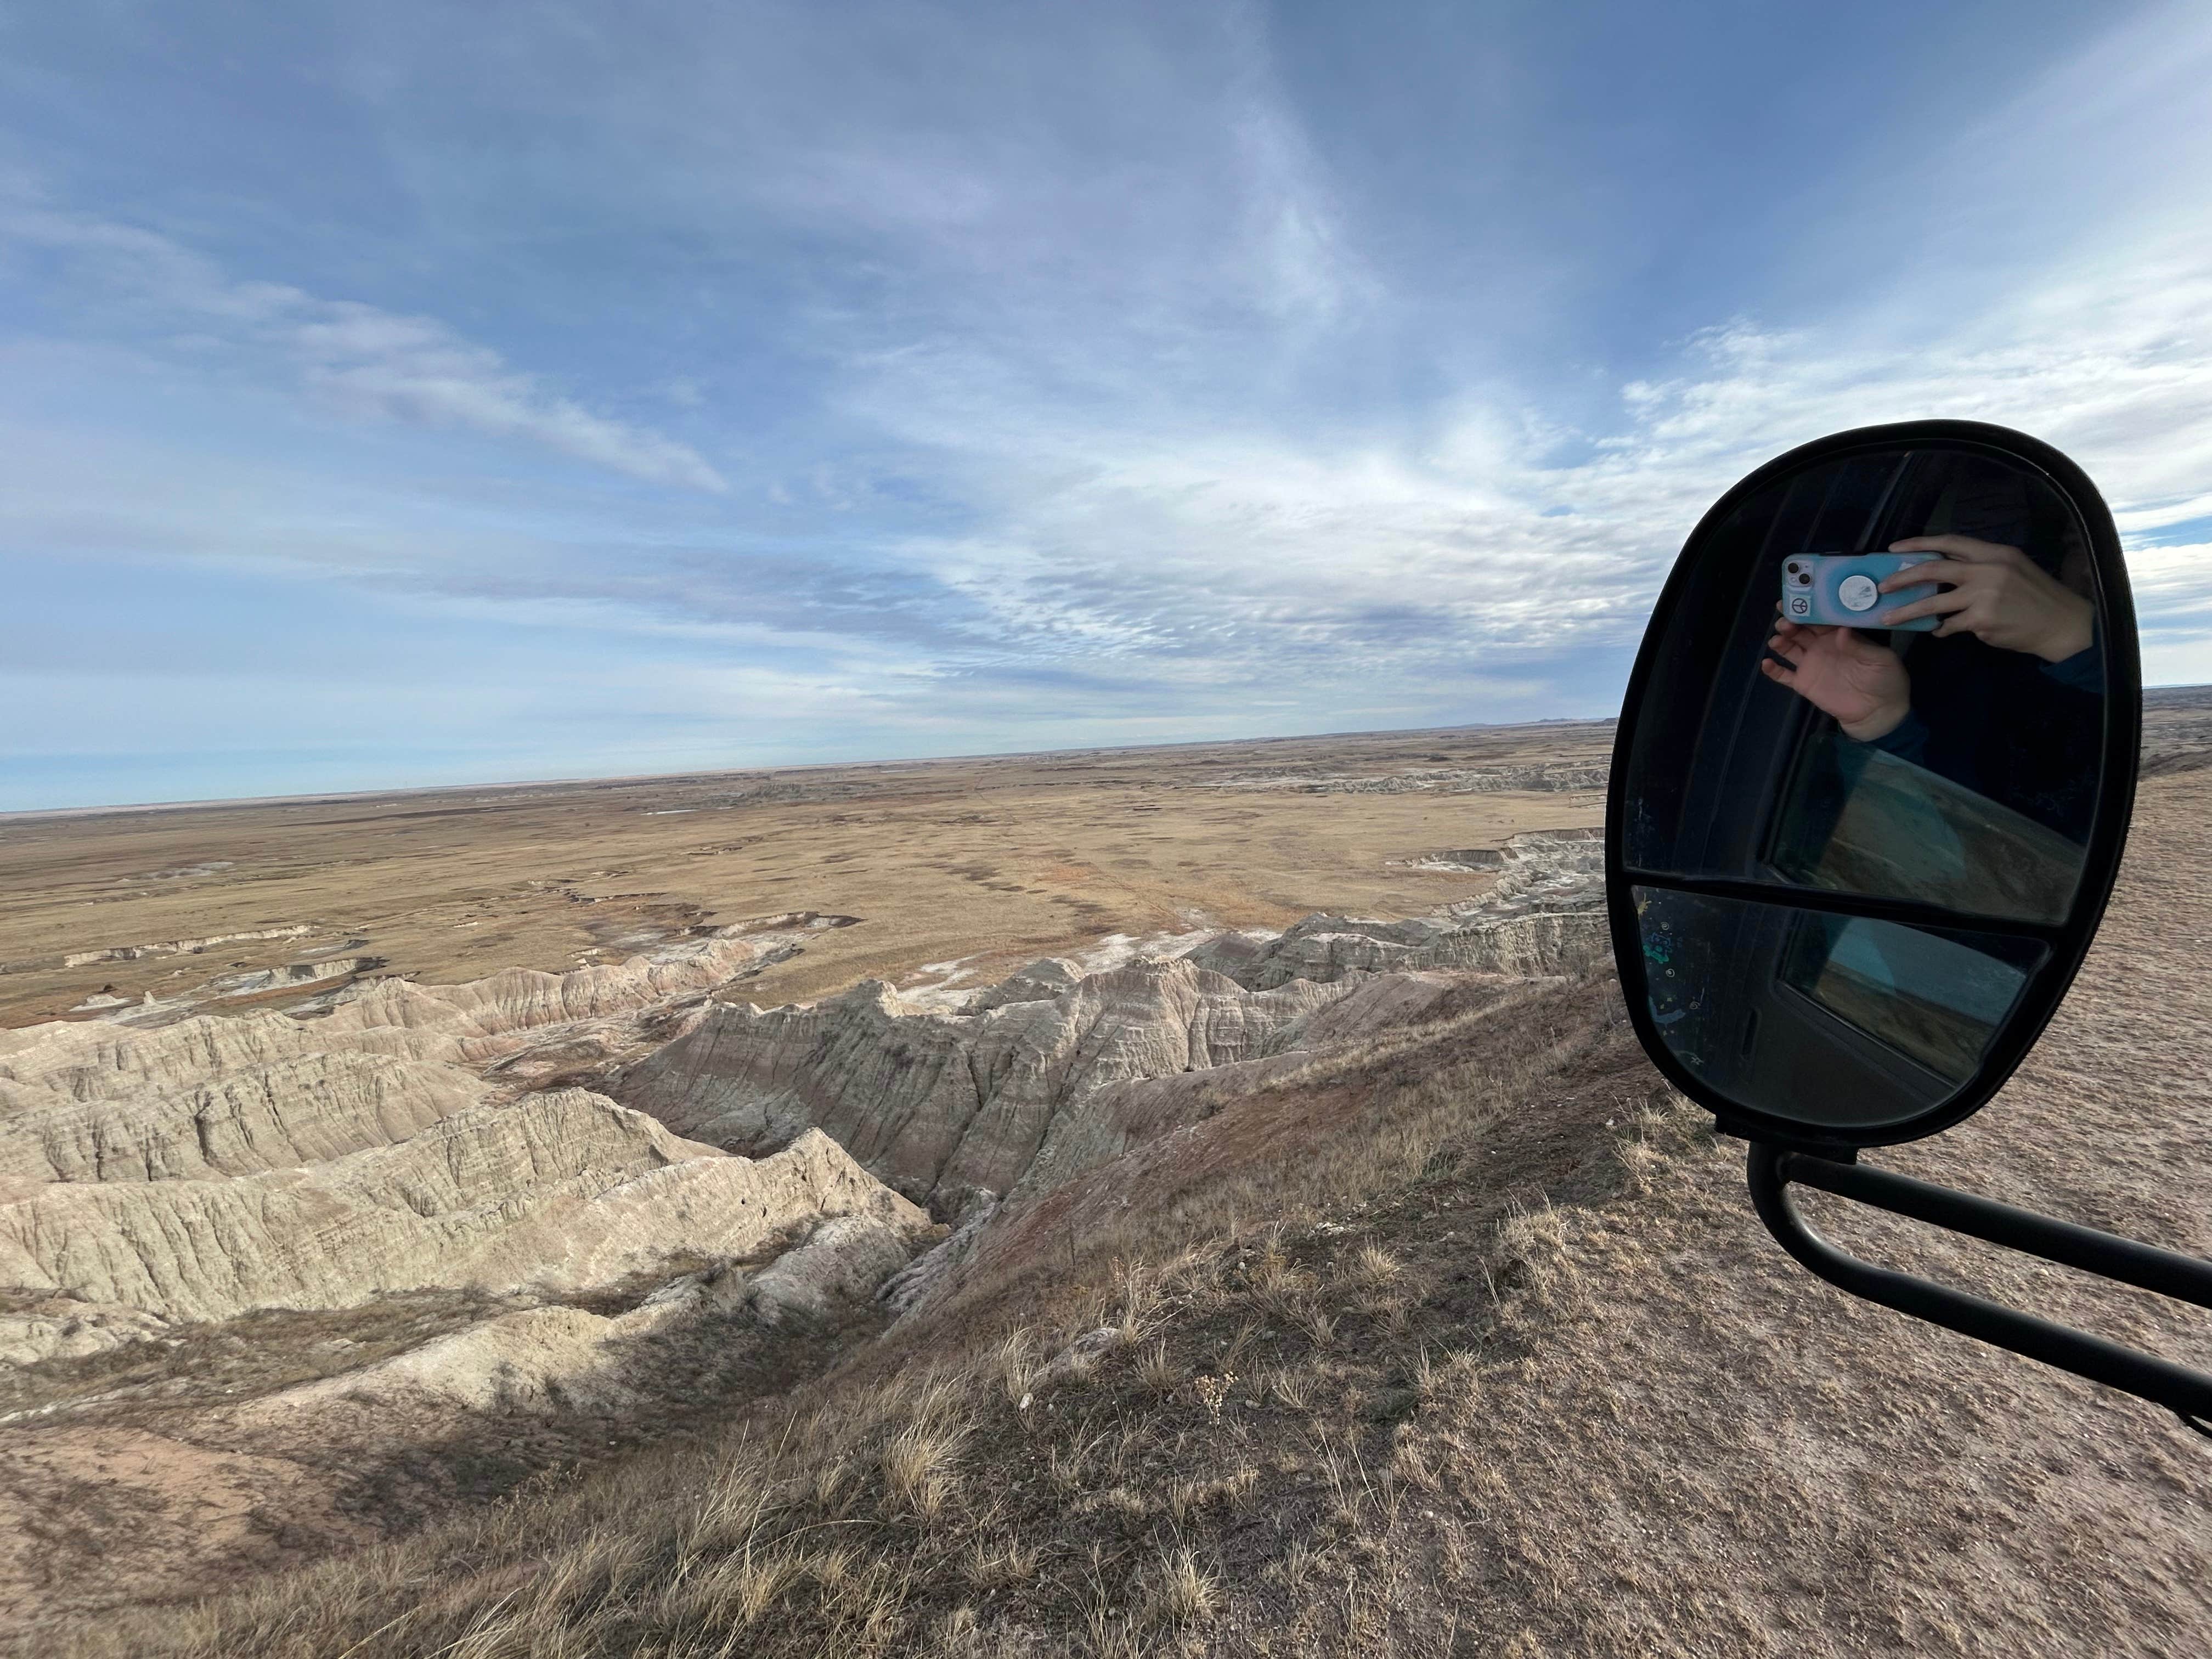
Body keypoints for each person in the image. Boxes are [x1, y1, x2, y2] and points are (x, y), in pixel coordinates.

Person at [1759, 531, 2103, 842]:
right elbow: (1942, 851)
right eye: (2079, 546)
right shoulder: (1966, 655)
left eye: (2109, 555)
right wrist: (1882, 725)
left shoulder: (2120, 690)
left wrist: (2077, 639)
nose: (2093, 571)